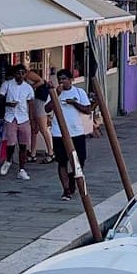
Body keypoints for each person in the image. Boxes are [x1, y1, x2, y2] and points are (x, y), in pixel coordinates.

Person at [48, 68, 95, 196]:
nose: (62, 82)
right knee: (62, 161)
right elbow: (47, 108)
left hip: (76, 132)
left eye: (64, 79)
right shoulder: (54, 92)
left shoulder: (79, 92)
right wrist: (56, 95)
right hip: (59, 132)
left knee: (80, 161)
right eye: (60, 79)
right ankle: (66, 189)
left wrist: (75, 103)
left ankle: (73, 179)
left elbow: (87, 109)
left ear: (71, 80)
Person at [0, 65, 35, 180]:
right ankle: (8, 160)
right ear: (14, 74)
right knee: (11, 142)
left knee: (23, 144)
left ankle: (22, 169)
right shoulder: (7, 85)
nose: (21, 75)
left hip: (23, 117)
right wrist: (8, 104)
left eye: (23, 73)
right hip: (10, 116)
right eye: (18, 73)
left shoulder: (28, 88)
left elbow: (31, 104)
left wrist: (33, 120)